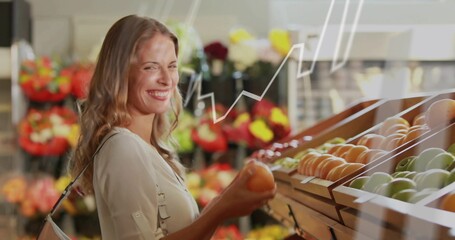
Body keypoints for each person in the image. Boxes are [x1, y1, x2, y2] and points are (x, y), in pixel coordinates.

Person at [69, 14, 276, 240]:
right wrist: (222, 209)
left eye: (172, 66)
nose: (167, 79)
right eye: (151, 67)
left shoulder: (145, 147)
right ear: (119, 74)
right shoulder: (123, 147)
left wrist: (224, 201)